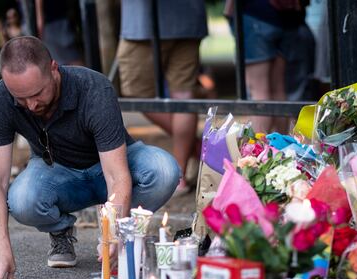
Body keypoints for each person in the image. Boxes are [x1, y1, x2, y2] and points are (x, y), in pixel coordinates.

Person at [0, 36, 179, 279]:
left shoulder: (94, 89)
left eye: (38, 93)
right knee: (22, 200)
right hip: (57, 171)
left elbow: (117, 176)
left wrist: (113, 232)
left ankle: (125, 236)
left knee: (164, 170)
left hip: (112, 166)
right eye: (21, 98)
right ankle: (61, 230)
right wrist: (1, 248)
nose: (31, 104)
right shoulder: (1, 97)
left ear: (53, 69)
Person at [117, 0, 208, 195]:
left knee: (137, 95)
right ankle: (181, 175)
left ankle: (198, 154)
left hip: (143, 23)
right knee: (183, 96)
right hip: (188, 17)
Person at [225, 0, 309, 132]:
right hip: (289, 18)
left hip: (257, 14)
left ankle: (258, 150)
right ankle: (281, 147)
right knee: (278, 89)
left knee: (259, 91)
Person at [36, 0, 84, 66]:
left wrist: (40, 29)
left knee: (69, 60)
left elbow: (40, 19)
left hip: (52, 25)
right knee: (70, 59)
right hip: (62, 21)